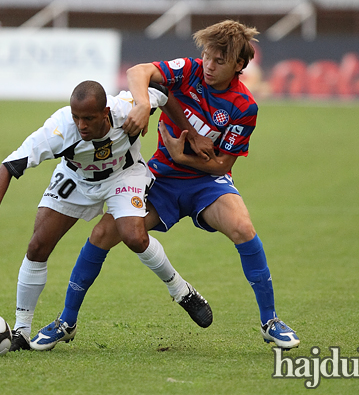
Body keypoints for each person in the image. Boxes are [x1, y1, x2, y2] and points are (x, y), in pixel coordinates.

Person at [34, 20, 300, 351]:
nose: (209, 65)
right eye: (207, 56)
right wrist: (144, 103)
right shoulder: (188, 71)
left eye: (219, 60)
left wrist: (183, 156)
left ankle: (271, 321)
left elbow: (222, 165)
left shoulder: (244, 107)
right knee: (103, 233)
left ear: (240, 65)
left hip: (208, 183)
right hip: (160, 178)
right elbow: (138, 71)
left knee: (243, 228)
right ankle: (66, 322)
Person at [0, 80, 212, 352]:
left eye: (88, 118)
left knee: (134, 236)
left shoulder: (127, 110)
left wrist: (187, 131)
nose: (81, 125)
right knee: (37, 246)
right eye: (76, 117)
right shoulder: (60, 128)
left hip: (123, 174)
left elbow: (162, 89)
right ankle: (21, 331)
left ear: (105, 112)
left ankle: (181, 291)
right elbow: (10, 165)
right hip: (76, 179)